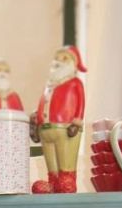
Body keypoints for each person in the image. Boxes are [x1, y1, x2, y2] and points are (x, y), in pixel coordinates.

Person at [30, 45, 87, 194]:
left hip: (65, 129)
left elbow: (81, 103)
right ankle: (53, 183)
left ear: (73, 64)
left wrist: (77, 121)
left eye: (64, 59)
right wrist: (37, 118)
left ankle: (66, 183)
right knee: (51, 162)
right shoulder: (49, 86)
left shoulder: (75, 83)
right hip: (45, 130)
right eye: (57, 58)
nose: (59, 62)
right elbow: (44, 103)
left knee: (65, 160)